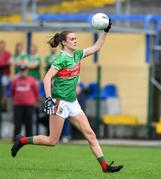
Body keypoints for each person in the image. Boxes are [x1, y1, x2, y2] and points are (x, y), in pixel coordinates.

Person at [11, 19, 123, 173]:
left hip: (73, 102)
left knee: (90, 134)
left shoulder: (77, 55)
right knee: (52, 141)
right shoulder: (61, 58)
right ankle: (22, 140)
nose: (75, 41)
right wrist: (49, 99)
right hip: (60, 103)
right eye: (72, 39)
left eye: (76, 39)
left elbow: (97, 47)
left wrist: (105, 31)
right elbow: (46, 78)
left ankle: (105, 167)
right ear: (64, 43)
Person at [11, 64, 39, 140]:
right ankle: (16, 139)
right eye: (22, 70)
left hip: (29, 105)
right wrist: (15, 100)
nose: (23, 72)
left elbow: (36, 91)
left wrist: (35, 101)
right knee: (17, 123)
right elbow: (12, 91)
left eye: (24, 70)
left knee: (29, 123)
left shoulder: (31, 80)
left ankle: (28, 140)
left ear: (27, 71)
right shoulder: (15, 80)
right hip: (18, 105)